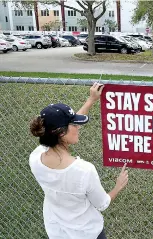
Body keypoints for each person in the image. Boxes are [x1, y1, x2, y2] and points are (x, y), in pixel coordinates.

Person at [29, 83, 129, 239]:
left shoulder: (35, 158)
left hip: (57, 232)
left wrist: (91, 100)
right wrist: (118, 186)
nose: (79, 127)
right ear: (61, 133)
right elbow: (102, 204)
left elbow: (63, 128)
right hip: (87, 234)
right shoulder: (84, 171)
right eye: (74, 124)